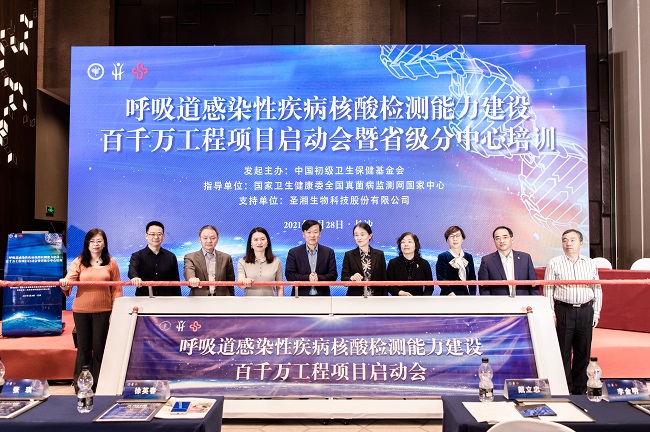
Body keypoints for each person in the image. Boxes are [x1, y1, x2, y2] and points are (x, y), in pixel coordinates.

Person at [60, 228, 122, 391]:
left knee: (100, 348)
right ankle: (81, 385)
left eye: (99, 241)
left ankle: (100, 384)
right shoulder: (79, 261)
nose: (96, 244)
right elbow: (69, 280)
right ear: (87, 243)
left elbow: (117, 289)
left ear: (104, 244)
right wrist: (65, 283)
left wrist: (116, 310)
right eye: (92, 241)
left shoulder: (111, 263)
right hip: (81, 311)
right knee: (84, 348)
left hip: (104, 310)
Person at [544, 229, 602, 395]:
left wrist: (596, 312)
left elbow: (597, 289)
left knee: (583, 351)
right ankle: (565, 388)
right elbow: (548, 290)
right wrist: (551, 313)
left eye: (572, 240)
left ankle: (580, 388)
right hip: (563, 310)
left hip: (586, 310)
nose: (568, 243)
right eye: (564, 240)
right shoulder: (554, 262)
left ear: (581, 243)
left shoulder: (590, 263)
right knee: (563, 351)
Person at [477, 226, 538, 296]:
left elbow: (533, 284)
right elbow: (484, 288)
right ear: (494, 241)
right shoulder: (487, 260)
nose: (501, 241)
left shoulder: (525, 258)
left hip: (522, 300)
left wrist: (535, 300)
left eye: (505, 237)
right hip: (498, 301)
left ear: (512, 239)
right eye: (497, 238)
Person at [285, 219, 338, 296]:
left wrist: (318, 278)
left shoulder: (328, 252)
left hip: (322, 297)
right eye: (309, 232)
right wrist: (308, 278)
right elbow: (289, 275)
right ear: (303, 234)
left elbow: (333, 275)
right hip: (300, 297)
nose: (312, 235)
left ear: (320, 234)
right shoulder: (294, 253)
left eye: (315, 232)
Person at [128, 221, 181, 296]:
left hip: (167, 299)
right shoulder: (137, 256)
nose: (156, 237)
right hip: (144, 299)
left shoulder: (171, 256)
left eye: (159, 234)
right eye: (152, 234)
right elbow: (132, 271)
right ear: (146, 236)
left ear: (163, 236)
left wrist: (178, 299)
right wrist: (135, 277)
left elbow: (176, 282)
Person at [184, 225, 235, 296]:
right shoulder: (190, 257)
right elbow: (189, 272)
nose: (209, 241)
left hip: (222, 299)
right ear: (200, 239)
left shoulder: (226, 258)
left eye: (212, 238)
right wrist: (192, 278)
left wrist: (231, 298)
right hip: (199, 299)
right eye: (205, 238)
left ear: (217, 239)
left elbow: (231, 283)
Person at [342, 222, 388, 296]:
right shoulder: (349, 255)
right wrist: (352, 278)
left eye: (362, 234)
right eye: (356, 235)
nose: (359, 238)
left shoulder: (379, 254)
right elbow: (344, 279)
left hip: (376, 297)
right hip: (355, 297)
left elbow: (384, 279)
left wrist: (385, 298)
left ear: (370, 236)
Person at [238, 227, 284, 296]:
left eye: (262, 239)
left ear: (267, 242)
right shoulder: (242, 262)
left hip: (271, 302)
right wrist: (245, 282)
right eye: (255, 240)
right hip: (249, 302)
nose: (259, 242)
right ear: (250, 243)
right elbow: (240, 284)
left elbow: (280, 287)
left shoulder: (276, 262)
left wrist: (280, 301)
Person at [387, 232, 433, 296]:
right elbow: (389, 284)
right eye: (403, 242)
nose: (406, 244)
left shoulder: (424, 264)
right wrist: (400, 292)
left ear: (416, 245)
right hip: (398, 300)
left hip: (418, 300)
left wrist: (423, 299)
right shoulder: (393, 263)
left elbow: (429, 287)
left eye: (409, 242)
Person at [436, 226, 477, 296]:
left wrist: (472, 296)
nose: (455, 239)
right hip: (448, 296)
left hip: (465, 295)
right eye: (452, 236)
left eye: (457, 236)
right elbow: (441, 279)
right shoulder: (443, 256)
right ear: (447, 240)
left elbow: (472, 278)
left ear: (463, 238)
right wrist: (451, 294)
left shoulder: (468, 257)